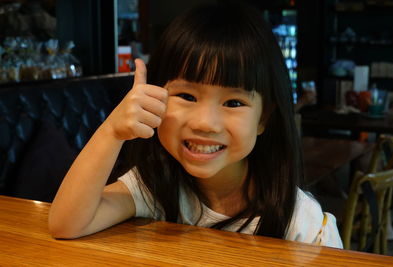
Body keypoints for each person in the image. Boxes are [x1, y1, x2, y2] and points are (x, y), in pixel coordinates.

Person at [48, 3, 343, 248]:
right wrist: (112, 131)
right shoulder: (155, 186)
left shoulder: (303, 224)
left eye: (233, 103)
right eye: (187, 96)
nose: (205, 123)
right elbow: (67, 224)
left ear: (264, 119)